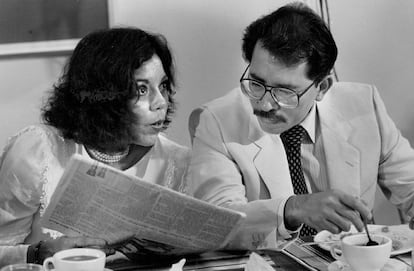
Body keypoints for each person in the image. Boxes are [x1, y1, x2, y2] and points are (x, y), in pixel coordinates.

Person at [187, 2, 414, 250]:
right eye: (256, 82)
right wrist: (293, 208)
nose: (264, 104)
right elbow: (216, 223)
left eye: (285, 92)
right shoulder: (216, 121)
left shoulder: (364, 107)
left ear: (322, 88)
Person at [0, 27, 189, 266]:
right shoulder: (38, 151)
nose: (161, 102)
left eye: (162, 86)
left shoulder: (176, 160)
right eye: (141, 90)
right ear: (104, 98)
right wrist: (37, 253)